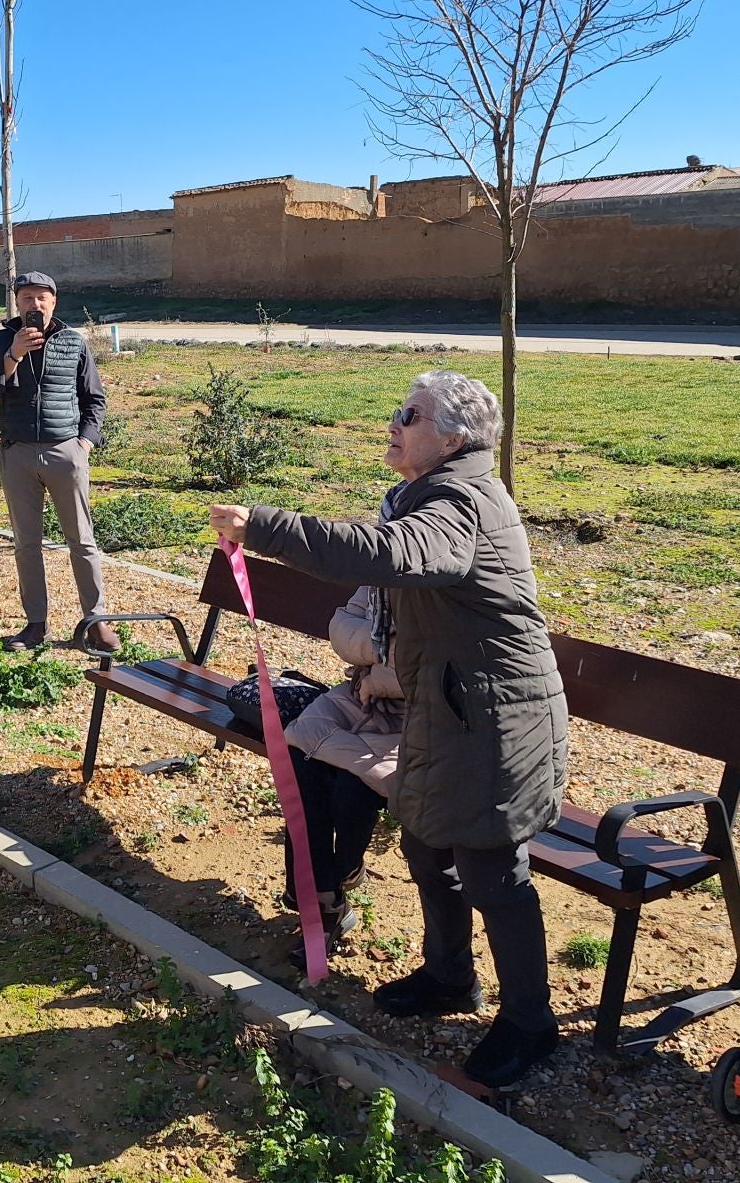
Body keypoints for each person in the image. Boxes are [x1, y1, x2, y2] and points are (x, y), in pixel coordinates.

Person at [210, 370, 568, 1090]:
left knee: (494, 871)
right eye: (397, 410)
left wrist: (269, 527)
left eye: (411, 414)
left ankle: (531, 1024)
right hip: (449, 709)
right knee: (426, 838)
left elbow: (391, 555)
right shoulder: (429, 492)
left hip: (498, 719)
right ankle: (448, 977)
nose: (394, 422)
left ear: (453, 438)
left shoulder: (460, 500)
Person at [0, 271, 117, 652]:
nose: (34, 305)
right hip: (17, 453)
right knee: (26, 544)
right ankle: (36, 625)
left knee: (82, 541)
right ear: (16, 303)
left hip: (65, 452)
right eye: (26, 298)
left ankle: (97, 620)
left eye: (41, 298)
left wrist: (84, 443)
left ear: (53, 302)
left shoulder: (74, 341)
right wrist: (13, 355)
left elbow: (94, 399)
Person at [279, 581, 405, 951]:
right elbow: (342, 628)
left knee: (355, 785)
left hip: (426, 716)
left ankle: (337, 876)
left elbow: (438, 663)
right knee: (301, 755)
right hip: (359, 696)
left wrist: (381, 668)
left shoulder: (447, 575)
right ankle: (322, 901)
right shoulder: (384, 572)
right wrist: (387, 645)